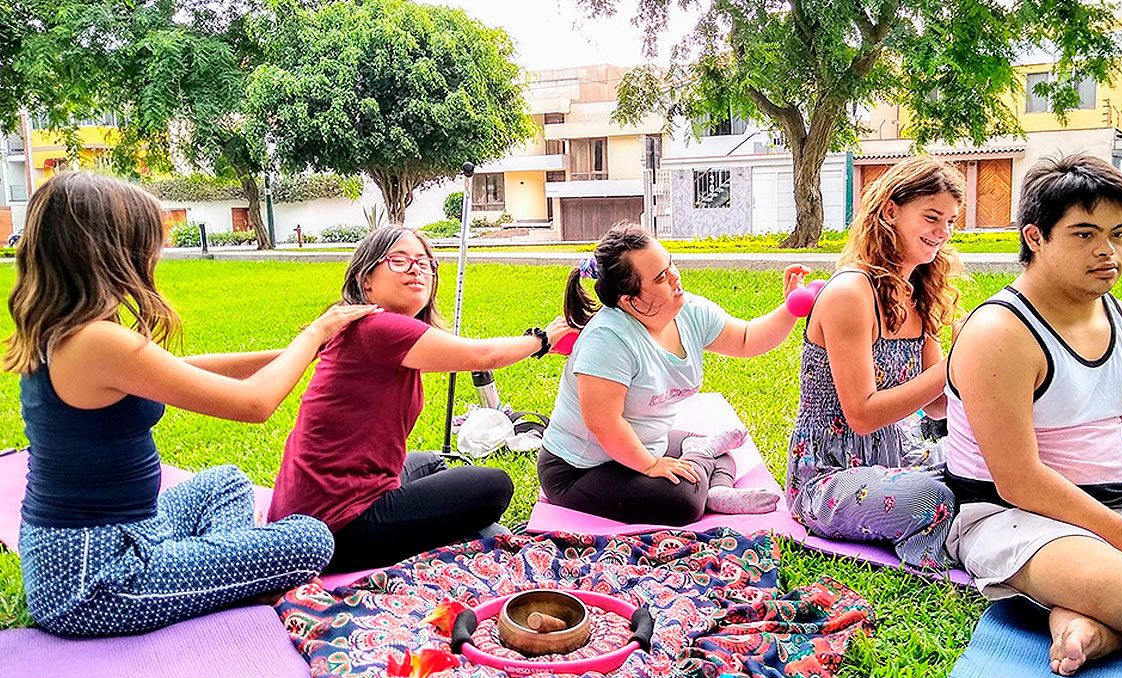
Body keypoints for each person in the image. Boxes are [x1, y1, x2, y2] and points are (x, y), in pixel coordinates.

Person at [3, 173, 364, 636]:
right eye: (146, 245)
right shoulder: (94, 340)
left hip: (126, 532)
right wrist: (313, 333)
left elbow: (179, 366)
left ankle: (224, 575)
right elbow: (253, 405)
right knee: (311, 539)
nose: (153, 258)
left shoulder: (67, 327)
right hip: (93, 584)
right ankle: (232, 578)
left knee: (226, 483)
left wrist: (306, 351)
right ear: (110, 250)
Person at [946, 154, 1122, 676]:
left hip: (1120, 505)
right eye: (1084, 234)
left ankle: (1094, 627)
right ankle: (1105, 612)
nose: (1107, 252)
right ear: (1035, 237)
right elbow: (1019, 481)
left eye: (1120, 234)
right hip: (1017, 519)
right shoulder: (999, 333)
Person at [268, 225, 574, 573]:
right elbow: (482, 355)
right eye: (398, 261)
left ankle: (461, 530)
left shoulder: (361, 329)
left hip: (312, 507)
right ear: (365, 280)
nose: (416, 269)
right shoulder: (379, 328)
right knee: (494, 485)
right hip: (335, 529)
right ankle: (467, 534)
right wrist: (544, 338)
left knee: (428, 462)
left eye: (424, 262)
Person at [538, 221, 809, 525]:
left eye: (671, 265)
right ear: (631, 300)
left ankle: (716, 490)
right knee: (681, 503)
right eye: (661, 277)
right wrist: (651, 465)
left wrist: (790, 308)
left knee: (721, 451)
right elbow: (604, 422)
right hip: (581, 468)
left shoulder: (689, 311)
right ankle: (703, 483)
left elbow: (746, 339)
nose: (675, 277)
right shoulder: (607, 339)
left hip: (648, 442)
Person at [785, 156, 964, 570]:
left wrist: (981, 370)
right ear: (890, 211)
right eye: (932, 217)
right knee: (932, 499)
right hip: (829, 477)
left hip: (901, 457)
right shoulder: (851, 292)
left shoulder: (919, 293)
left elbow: (936, 406)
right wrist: (954, 364)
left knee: (1001, 466)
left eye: (951, 221)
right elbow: (862, 415)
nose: (943, 232)